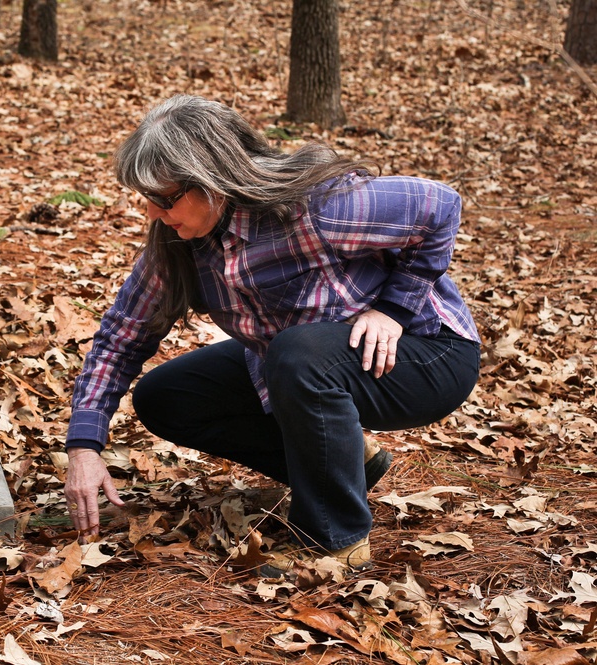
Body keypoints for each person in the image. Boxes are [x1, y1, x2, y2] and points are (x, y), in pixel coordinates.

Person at [63, 94, 481, 575]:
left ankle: (335, 539)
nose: (154, 213)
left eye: (164, 198)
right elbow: (122, 334)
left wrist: (394, 309)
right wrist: (84, 447)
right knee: (165, 396)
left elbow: (441, 205)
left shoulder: (313, 208)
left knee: (296, 353)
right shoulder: (178, 244)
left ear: (210, 181)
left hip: (427, 355)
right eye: (147, 200)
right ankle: (345, 469)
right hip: (310, 362)